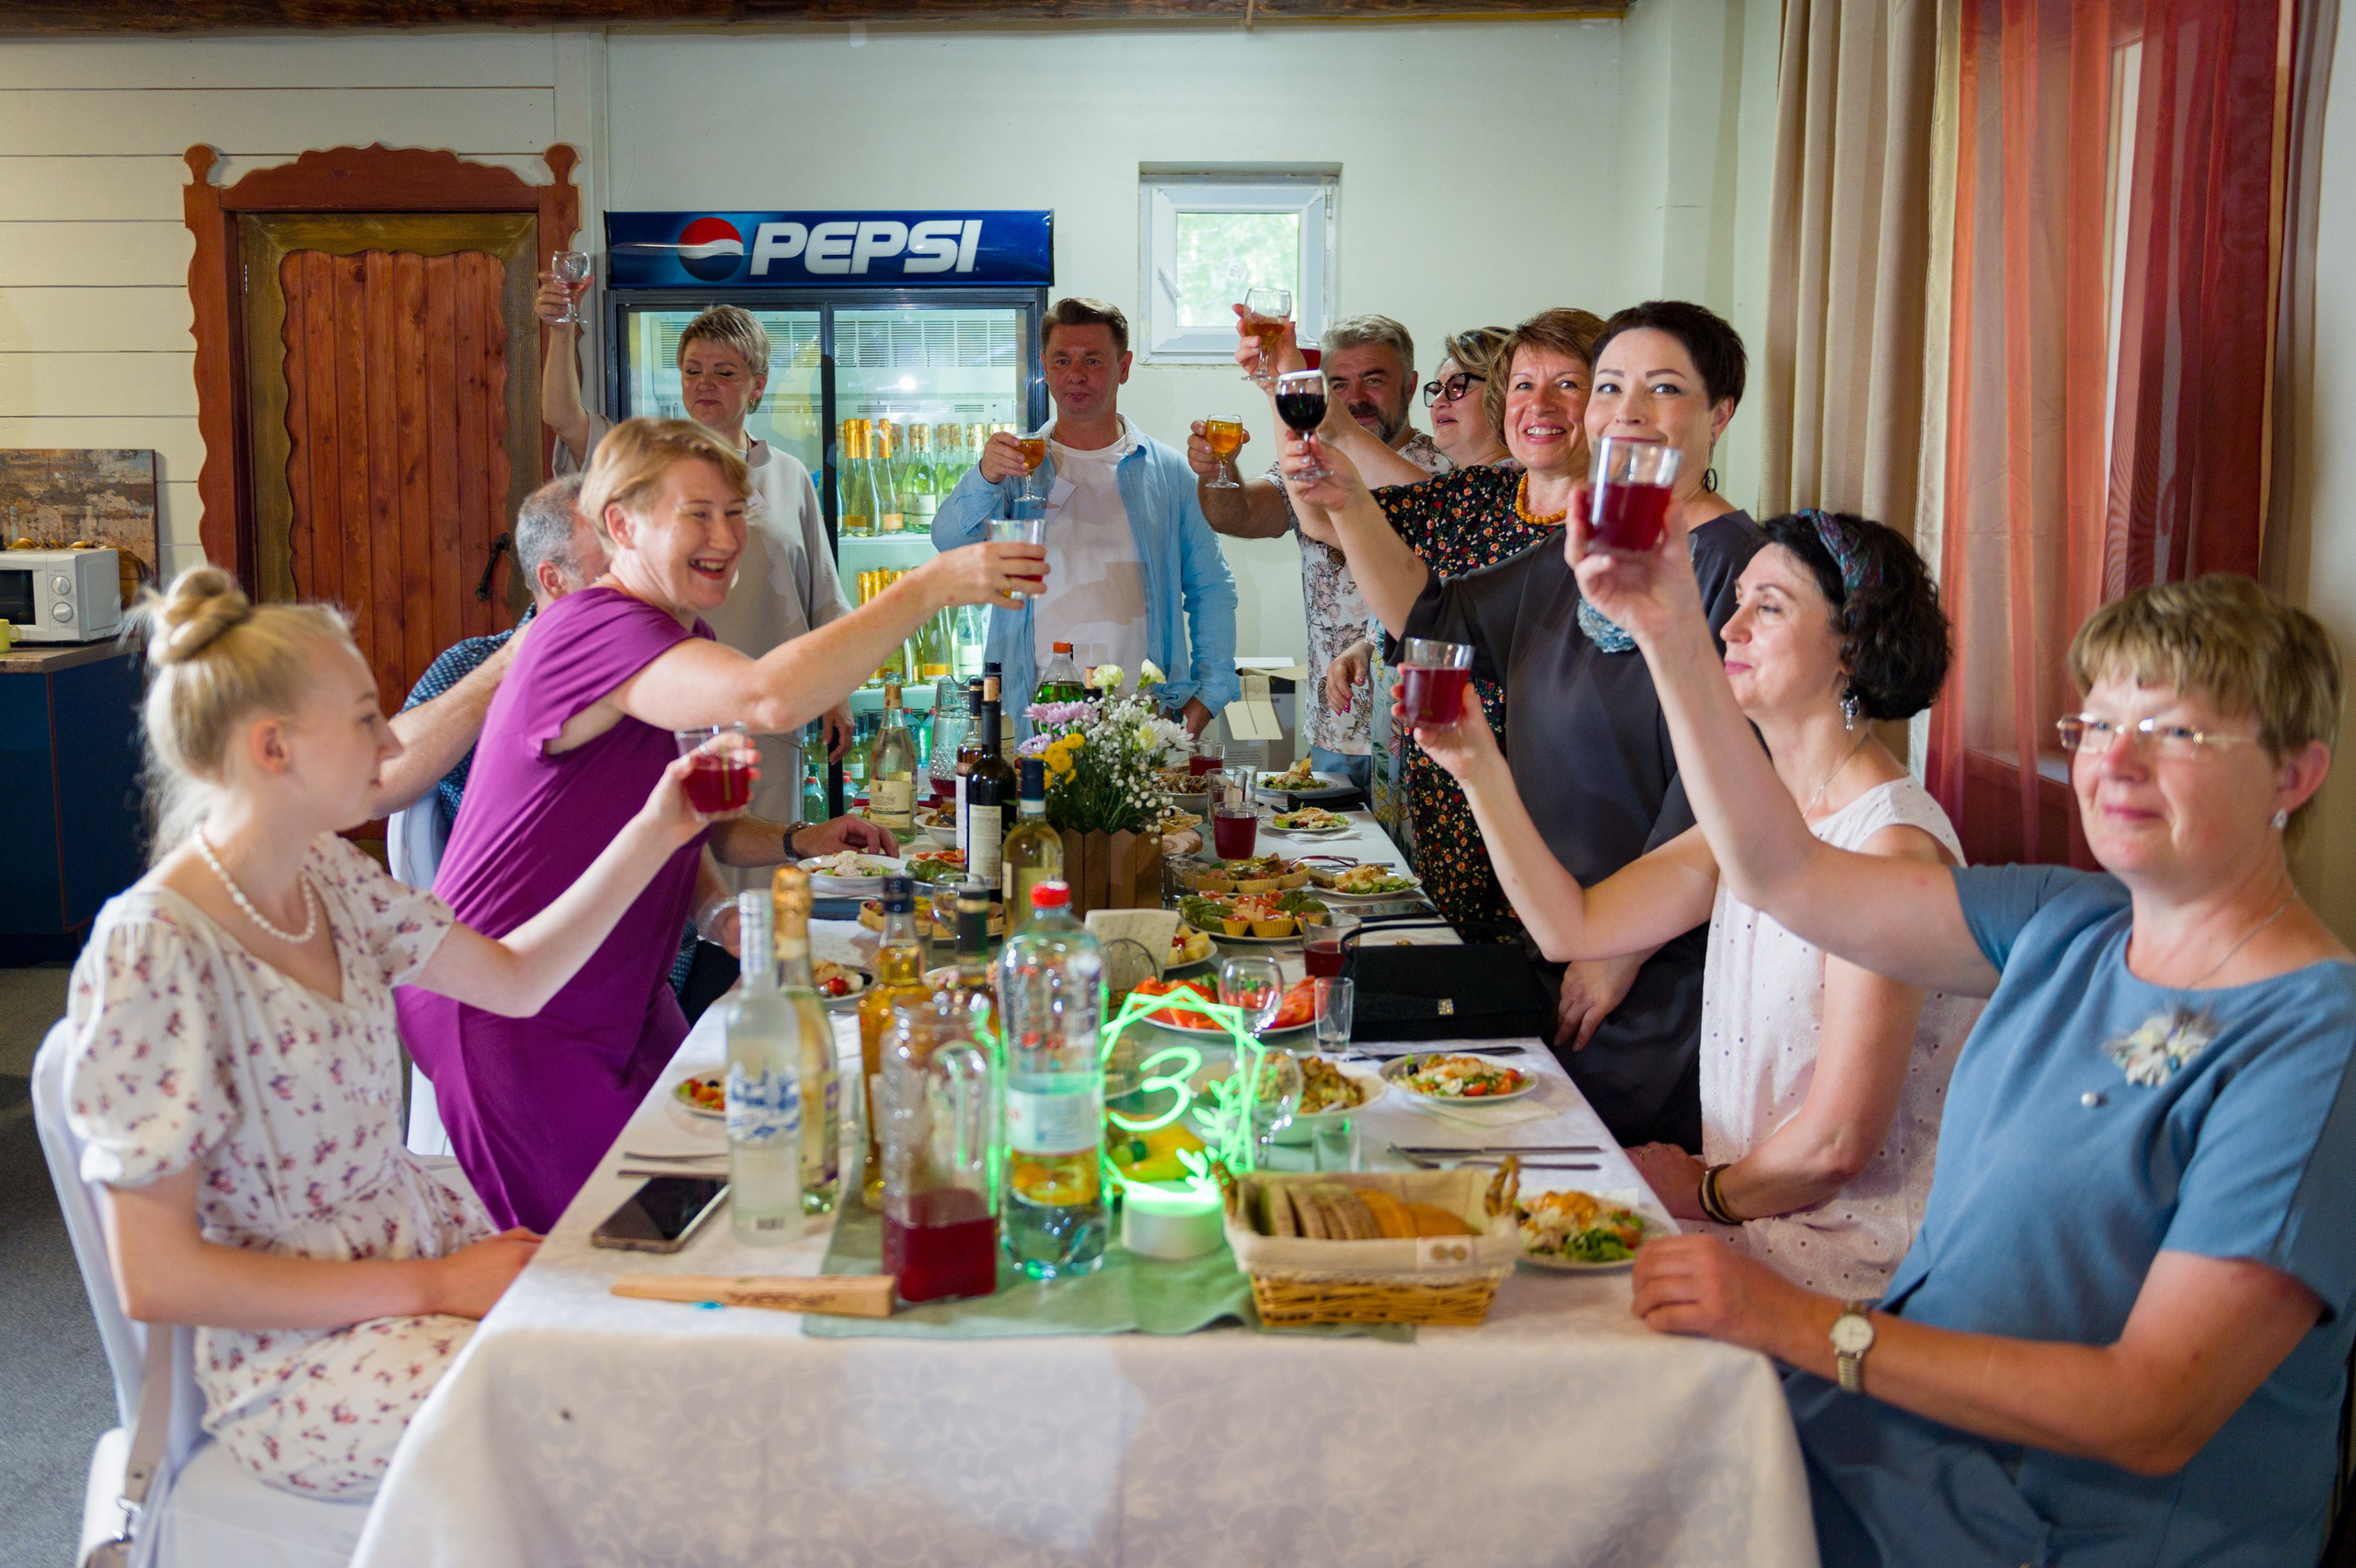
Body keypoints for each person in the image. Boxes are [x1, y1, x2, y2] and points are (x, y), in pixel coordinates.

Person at [1588, 522, 2356, 1565]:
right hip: (1902, 1459)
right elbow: (1782, 873)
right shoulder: (2066, 923)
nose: (2113, 763)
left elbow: (2154, 1409)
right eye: (2095, 724)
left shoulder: (2314, 1041)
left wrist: (1797, 1325)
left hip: (2068, 1535)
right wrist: (1674, 634)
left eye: (2173, 733)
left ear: (2292, 778)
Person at [66, 567, 719, 1499]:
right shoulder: (154, 950)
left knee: (655, 1287)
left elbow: (517, 979)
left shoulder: (328, 874)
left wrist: (661, 826)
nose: (391, 739)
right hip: (299, 1355)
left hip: (410, 1241)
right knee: (609, 1402)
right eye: (367, 716)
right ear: (272, 748)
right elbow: (157, 1277)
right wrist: (439, 1287)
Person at [398, 418, 1042, 1231]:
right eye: (696, 514)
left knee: (723, 1199)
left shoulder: (676, 635)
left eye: (736, 513)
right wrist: (933, 584)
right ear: (622, 527)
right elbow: (771, 698)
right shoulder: (590, 625)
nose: (725, 537)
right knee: (606, 1259)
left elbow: (687, 819)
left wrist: (717, 905)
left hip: (616, 996)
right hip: (511, 1013)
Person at [1410, 511, 1978, 1295]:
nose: (1731, 628)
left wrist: (1702, 1192)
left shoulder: (1891, 848)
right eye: (1736, 601)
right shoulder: (1763, 816)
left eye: (1768, 607)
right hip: (1748, 1216)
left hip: (1848, 1264)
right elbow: (1572, 926)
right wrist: (1476, 766)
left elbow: (1838, 1143)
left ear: (1853, 643)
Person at [1287, 300, 1762, 1152]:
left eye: (1664, 389)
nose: (1630, 411)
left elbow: (1730, 801)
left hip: (1651, 971)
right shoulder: (1577, 548)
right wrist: (1348, 501)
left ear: (1720, 413)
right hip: (1551, 933)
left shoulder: (1742, 567)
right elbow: (1436, 618)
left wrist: (1617, 947)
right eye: (1613, 386)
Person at [1282, 306, 1607, 947]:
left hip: (1560, 836)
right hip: (1448, 812)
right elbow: (1359, 544)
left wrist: (1620, 949)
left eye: (1568, 384)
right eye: (1522, 384)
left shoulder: (1622, 533)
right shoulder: (1481, 495)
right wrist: (1284, 384)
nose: (1539, 403)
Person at [389, 473, 744, 1009]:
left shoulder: (662, 657)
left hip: (665, 962)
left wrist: (782, 855)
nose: (639, 577)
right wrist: (518, 659)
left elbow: (690, 825)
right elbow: (381, 781)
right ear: (554, 581)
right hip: (528, 977)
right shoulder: (473, 665)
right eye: (611, 566)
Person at [539, 283, 853, 876]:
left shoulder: (787, 477)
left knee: (763, 871)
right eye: (693, 370)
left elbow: (826, 600)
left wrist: (835, 692)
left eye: (725, 372)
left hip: (767, 713)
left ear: (757, 386)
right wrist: (561, 331)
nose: (705, 383)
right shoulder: (649, 464)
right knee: (680, 868)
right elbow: (564, 417)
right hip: (669, 708)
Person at [933, 296, 1239, 733]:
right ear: (1044, 366)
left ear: (1125, 366)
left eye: (1093, 360)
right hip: (1030, 716)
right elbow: (949, 543)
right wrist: (984, 476)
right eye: (1062, 360)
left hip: (1143, 721)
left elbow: (1211, 589)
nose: (1075, 374)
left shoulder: (1170, 473)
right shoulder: (1014, 469)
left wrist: (1210, 693)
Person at [1187, 314, 1449, 793]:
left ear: (1410, 385)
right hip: (1333, 728)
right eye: (1338, 384)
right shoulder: (1309, 459)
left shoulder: (1446, 469)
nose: (1354, 398)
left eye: (1374, 380)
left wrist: (1274, 392)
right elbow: (1239, 514)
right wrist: (1217, 471)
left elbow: (1329, 525)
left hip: (1425, 736)